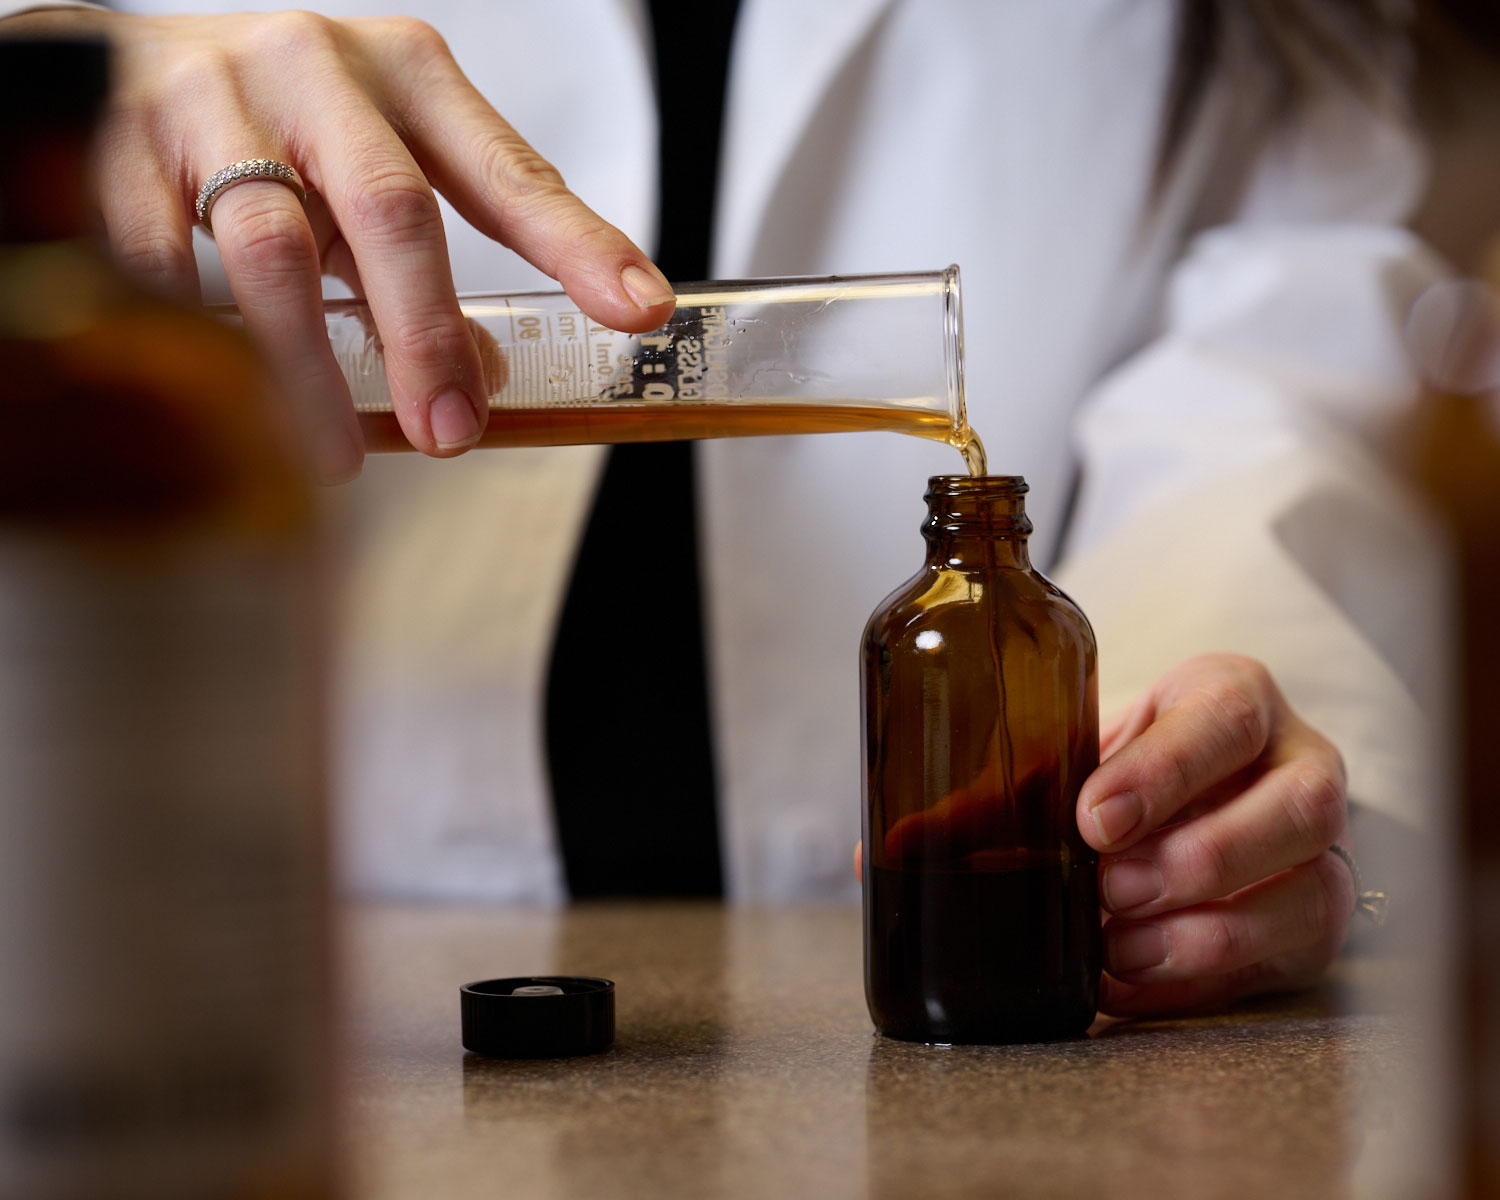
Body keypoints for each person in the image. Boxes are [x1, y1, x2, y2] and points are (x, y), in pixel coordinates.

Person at [1, 0, 1449, 1018]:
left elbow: (1286, 350)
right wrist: (49, 90)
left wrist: (1198, 781)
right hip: (255, 961)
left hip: (929, 1052)